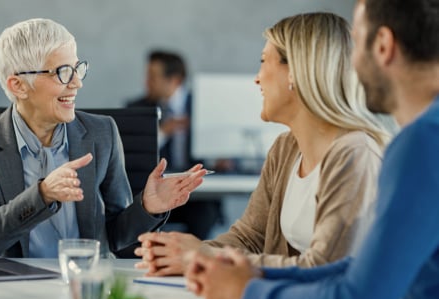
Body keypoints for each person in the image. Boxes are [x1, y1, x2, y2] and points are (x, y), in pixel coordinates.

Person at [185, 0, 439, 299]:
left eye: (356, 42)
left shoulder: (420, 145)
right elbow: (358, 268)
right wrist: (253, 272)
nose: (350, 64)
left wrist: (245, 292)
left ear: (383, 46)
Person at [135, 12, 390, 276]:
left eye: (263, 61)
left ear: (295, 72)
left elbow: (325, 268)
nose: (257, 78)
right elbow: (249, 238)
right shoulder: (285, 148)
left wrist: (204, 257)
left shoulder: (355, 154)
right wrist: (181, 255)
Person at [0, 18, 207, 259]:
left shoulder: (102, 133)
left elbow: (115, 235)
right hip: (18, 287)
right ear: (18, 85)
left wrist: (146, 208)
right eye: (63, 72)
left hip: (87, 282)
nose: (77, 83)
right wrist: (41, 195)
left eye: (77, 69)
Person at [126, 50, 224, 240]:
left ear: (175, 80)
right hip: (158, 191)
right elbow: (131, 152)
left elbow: (222, 146)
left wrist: (220, 157)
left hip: (199, 195)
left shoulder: (205, 105)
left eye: (152, 77)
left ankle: (193, 261)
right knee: (141, 213)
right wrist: (163, 132)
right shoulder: (137, 108)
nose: (146, 82)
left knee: (204, 216)